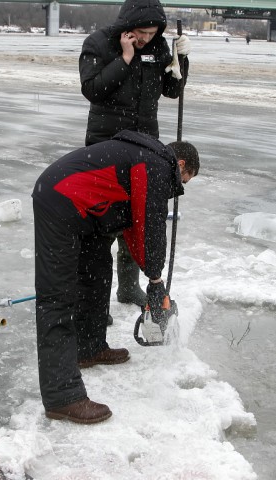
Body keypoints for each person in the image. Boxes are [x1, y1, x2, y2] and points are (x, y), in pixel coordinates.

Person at [32, 130, 199, 424]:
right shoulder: (157, 165)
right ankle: (62, 396)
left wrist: (153, 277)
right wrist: (156, 279)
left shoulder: (147, 159)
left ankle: (90, 347)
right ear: (181, 164)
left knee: (96, 275)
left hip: (89, 212)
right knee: (57, 297)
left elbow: (134, 225)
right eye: (183, 182)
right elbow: (150, 224)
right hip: (61, 202)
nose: (179, 188)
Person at [78, 0, 191, 310]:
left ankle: (128, 288)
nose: (144, 39)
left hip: (145, 146)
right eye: (141, 32)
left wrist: (181, 58)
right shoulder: (98, 43)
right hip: (106, 146)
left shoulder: (157, 47)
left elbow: (172, 89)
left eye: (151, 33)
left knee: (136, 217)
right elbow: (92, 89)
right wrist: (125, 59)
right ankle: (94, 303)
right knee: (104, 222)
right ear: (128, 23)